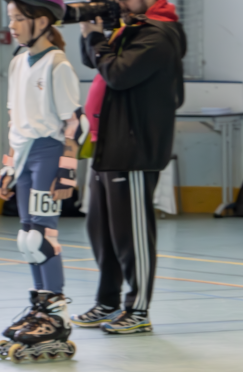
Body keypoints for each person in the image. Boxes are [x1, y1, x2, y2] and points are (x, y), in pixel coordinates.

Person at [72, 0, 186, 335]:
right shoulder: (131, 29)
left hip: (133, 148)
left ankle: (137, 309)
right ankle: (107, 302)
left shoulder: (158, 35)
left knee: (131, 234)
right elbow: (94, 60)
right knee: (102, 231)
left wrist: (97, 39)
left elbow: (118, 74)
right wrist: (90, 34)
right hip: (107, 143)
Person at [0, 0, 85, 362]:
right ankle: (41, 309)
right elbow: (14, 121)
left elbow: (75, 123)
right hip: (24, 155)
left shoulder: (57, 64)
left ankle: (57, 317)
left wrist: (67, 169)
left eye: (19, 18)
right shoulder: (18, 62)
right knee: (26, 239)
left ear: (42, 21)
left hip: (48, 153)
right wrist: (8, 166)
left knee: (42, 237)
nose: (13, 25)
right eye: (11, 18)